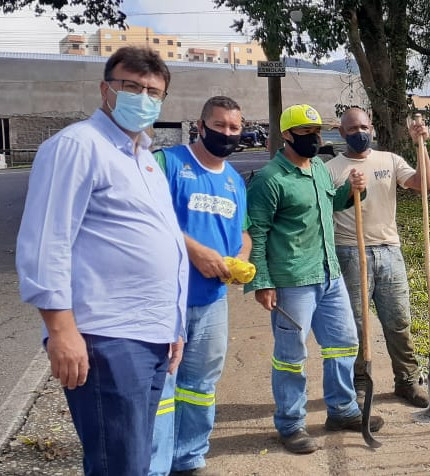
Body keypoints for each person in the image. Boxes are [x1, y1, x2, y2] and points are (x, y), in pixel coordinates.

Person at [15, 46, 188, 475]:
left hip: (150, 333)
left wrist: (174, 325)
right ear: (105, 89)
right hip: (107, 335)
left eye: (153, 91)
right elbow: (45, 242)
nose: (143, 98)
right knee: (120, 464)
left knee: (134, 458)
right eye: (132, 86)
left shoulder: (144, 158)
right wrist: (60, 330)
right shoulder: (77, 146)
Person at [245, 104, 383, 455]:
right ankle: (290, 424)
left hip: (328, 273)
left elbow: (332, 204)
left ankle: (342, 409)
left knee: (344, 342)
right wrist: (262, 281)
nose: (315, 138)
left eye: (317, 132)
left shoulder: (320, 168)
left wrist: (355, 189)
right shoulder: (269, 180)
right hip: (292, 279)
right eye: (306, 133)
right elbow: (256, 233)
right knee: (291, 355)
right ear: (287, 136)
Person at [149, 96, 252, 475]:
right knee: (160, 387)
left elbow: (243, 234)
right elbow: (146, 217)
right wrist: (194, 251)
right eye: (220, 125)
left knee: (200, 384)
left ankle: (189, 458)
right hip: (164, 297)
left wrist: (239, 259)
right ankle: (154, 466)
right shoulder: (169, 163)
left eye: (234, 128)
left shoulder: (233, 181)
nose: (227, 133)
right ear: (201, 125)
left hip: (212, 300)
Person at [326, 108, 430, 408]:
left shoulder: (389, 160)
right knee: (356, 325)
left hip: (389, 251)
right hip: (350, 252)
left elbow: (422, 183)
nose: (358, 132)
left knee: (398, 320)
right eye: (351, 128)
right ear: (342, 132)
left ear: (371, 128)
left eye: (363, 126)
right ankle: (360, 382)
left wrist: (420, 145)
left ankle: (407, 380)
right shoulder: (332, 169)